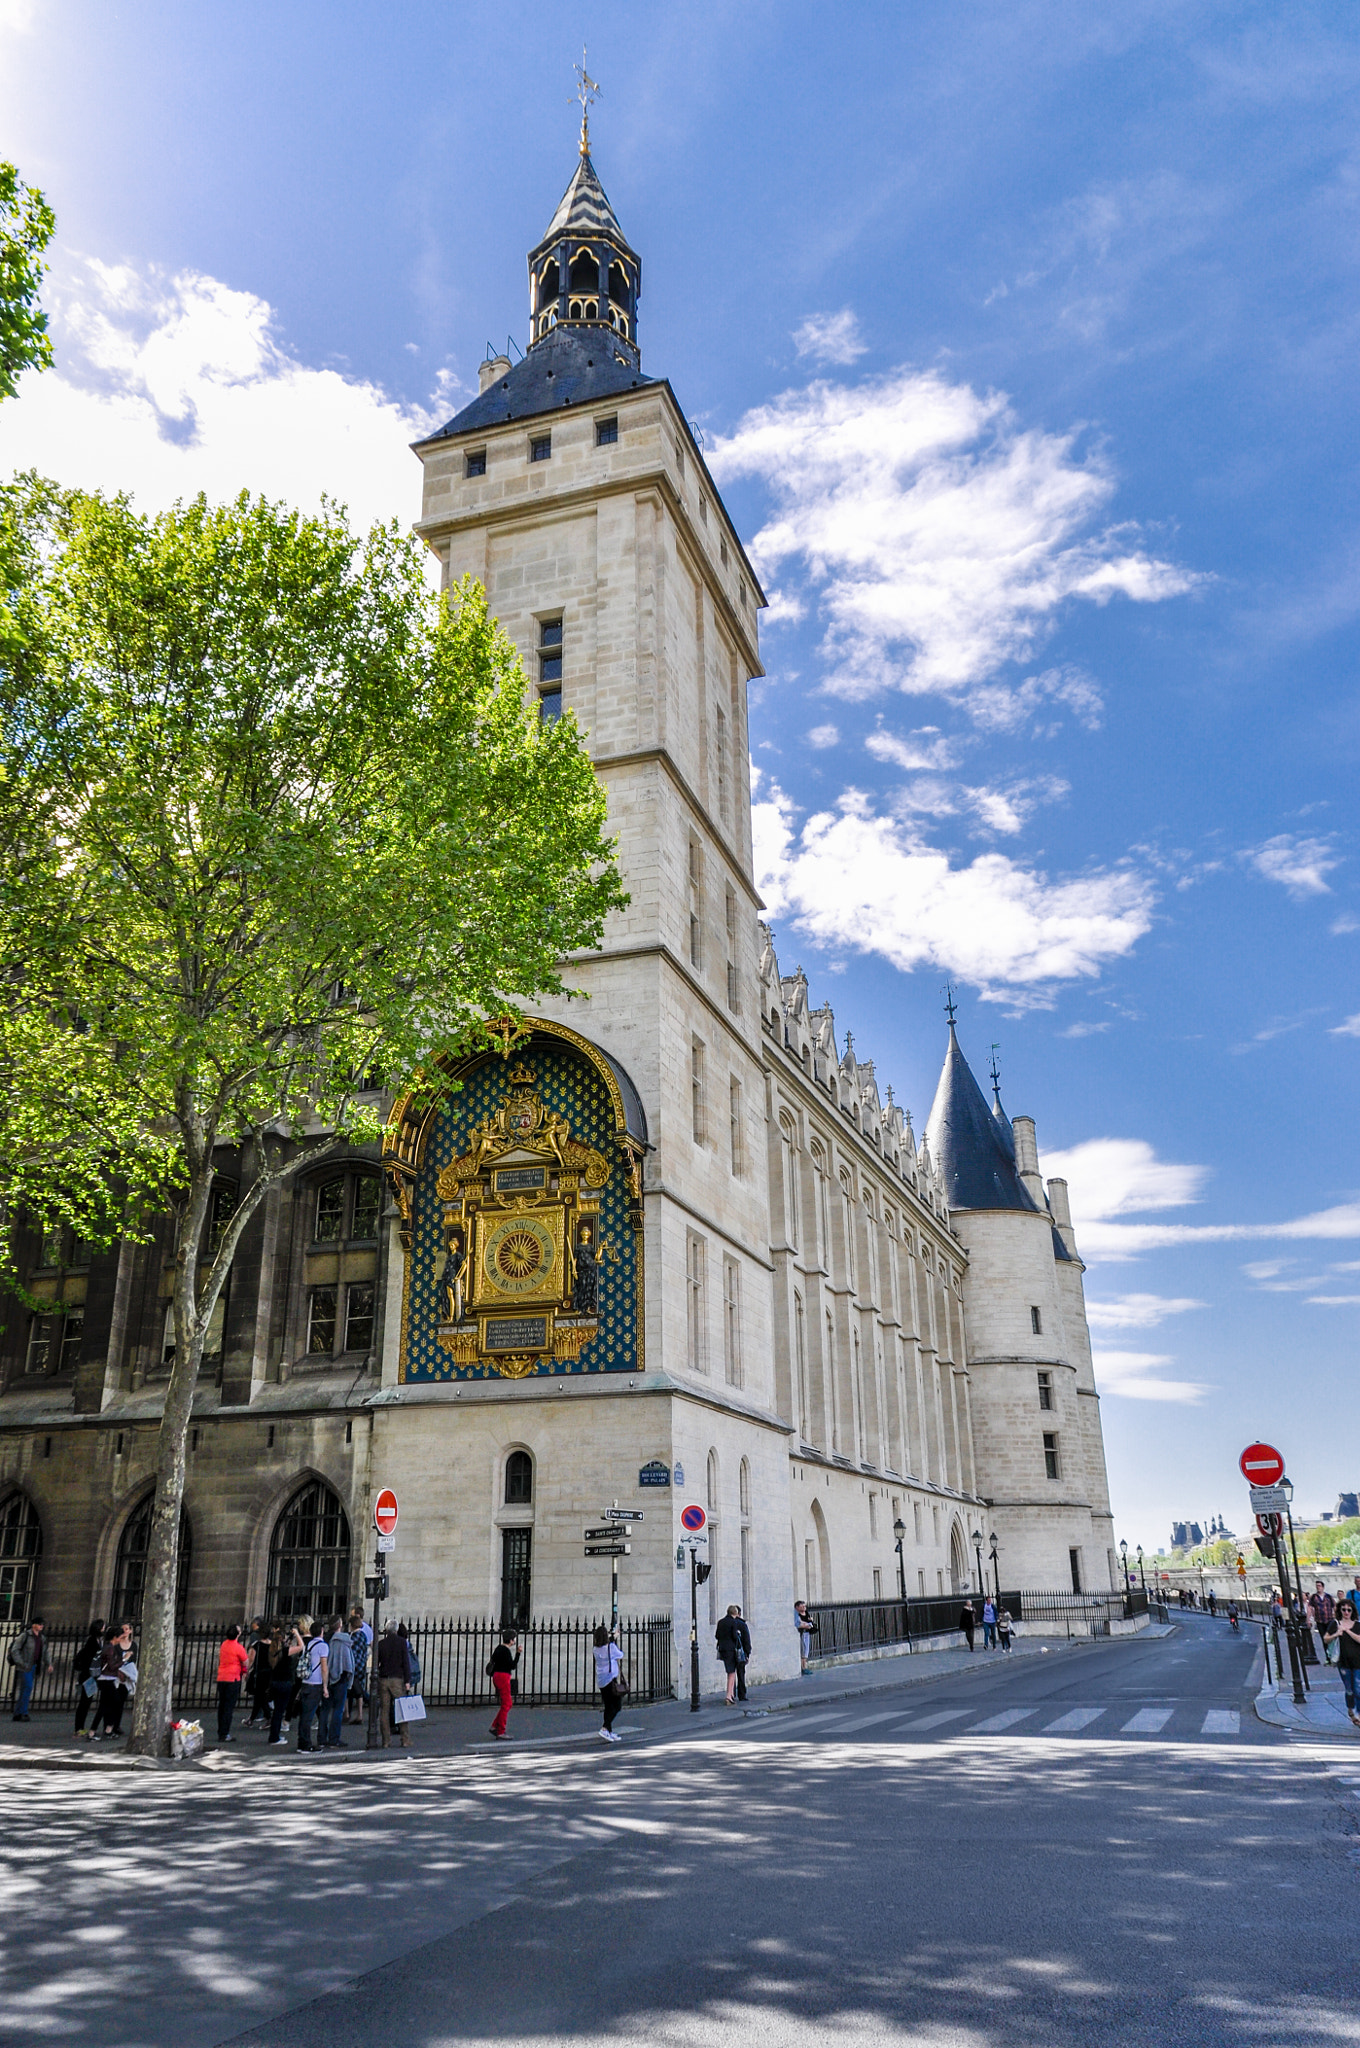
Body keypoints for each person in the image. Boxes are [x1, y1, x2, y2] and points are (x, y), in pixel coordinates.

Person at [376, 1620, 414, 1749]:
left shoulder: (381, 1644)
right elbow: (406, 1663)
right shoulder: (402, 1643)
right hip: (397, 1679)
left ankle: (386, 1741)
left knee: (384, 1711)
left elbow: (376, 1663)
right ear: (396, 1630)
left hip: (384, 1678)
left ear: (386, 1630)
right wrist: (407, 1680)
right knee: (402, 1710)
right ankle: (405, 1739)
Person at [1323, 1600, 1360, 1728]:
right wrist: (1337, 1633)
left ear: (1352, 1612)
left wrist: (1347, 1631)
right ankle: (1351, 1710)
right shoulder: (1335, 1624)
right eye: (1343, 1609)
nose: (1346, 1612)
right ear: (1340, 1611)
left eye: (1349, 1610)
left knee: (1358, 1689)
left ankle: (1358, 1715)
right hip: (1343, 1663)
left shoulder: (1357, 1625)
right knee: (1349, 1689)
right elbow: (1326, 1639)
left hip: (1357, 1662)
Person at [8, 1615, 51, 1721]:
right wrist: (21, 1663)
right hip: (25, 1666)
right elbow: (15, 1650)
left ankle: (17, 1713)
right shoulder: (25, 1635)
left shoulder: (42, 1638)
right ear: (34, 1625)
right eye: (40, 1624)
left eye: (42, 1624)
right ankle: (24, 1712)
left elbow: (45, 1652)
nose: (42, 1626)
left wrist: (49, 1664)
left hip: (35, 1666)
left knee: (25, 1689)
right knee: (28, 1687)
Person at [95, 1622, 133, 1740]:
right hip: (106, 1679)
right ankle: (105, 1729)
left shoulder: (109, 1647)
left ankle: (106, 1729)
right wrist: (124, 1659)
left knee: (106, 1705)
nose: (120, 1639)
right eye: (120, 1637)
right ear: (115, 1637)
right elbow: (112, 1666)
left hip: (109, 1679)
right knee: (111, 1704)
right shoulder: (110, 1648)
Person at [215, 1624, 251, 1744]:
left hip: (222, 1677)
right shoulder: (238, 1647)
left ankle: (221, 1731)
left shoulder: (224, 1644)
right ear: (238, 1634)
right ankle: (225, 1733)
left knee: (222, 1706)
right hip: (233, 1678)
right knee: (228, 1708)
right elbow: (246, 1662)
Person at [296, 1621, 329, 1753]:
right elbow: (324, 1667)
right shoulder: (323, 1646)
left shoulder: (309, 1644)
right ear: (321, 1631)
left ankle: (303, 1741)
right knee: (308, 1716)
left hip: (306, 1681)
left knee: (305, 1714)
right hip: (316, 1683)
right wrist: (325, 1686)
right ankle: (306, 1744)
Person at [321, 1616, 353, 1748]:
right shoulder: (343, 1640)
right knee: (338, 1710)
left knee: (325, 1709)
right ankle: (334, 1738)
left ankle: (322, 1738)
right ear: (340, 1625)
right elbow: (347, 1663)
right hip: (340, 1679)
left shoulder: (326, 1639)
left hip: (326, 1679)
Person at [593, 1623, 627, 1742]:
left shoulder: (595, 1649)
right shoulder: (611, 1648)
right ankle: (605, 1727)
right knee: (617, 1706)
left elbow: (605, 1647)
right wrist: (613, 1639)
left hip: (601, 1680)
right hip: (610, 1680)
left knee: (608, 1705)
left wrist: (613, 1638)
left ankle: (609, 1732)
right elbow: (620, 1655)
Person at [73, 1618, 105, 1739]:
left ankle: (80, 1727)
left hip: (91, 1675)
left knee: (86, 1702)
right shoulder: (92, 1641)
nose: (104, 1629)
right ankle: (78, 1728)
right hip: (88, 1675)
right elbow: (89, 1658)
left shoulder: (97, 1640)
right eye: (103, 1627)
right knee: (84, 1703)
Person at [715, 1604, 752, 1704]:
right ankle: (731, 1696)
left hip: (723, 1650)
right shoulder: (735, 1622)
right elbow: (737, 1637)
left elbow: (717, 1635)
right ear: (736, 1613)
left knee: (730, 1671)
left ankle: (732, 1694)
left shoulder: (720, 1622)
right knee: (735, 1673)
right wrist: (747, 1652)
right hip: (734, 1651)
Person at [264, 1626, 294, 1746]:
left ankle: (274, 1735)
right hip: (284, 1683)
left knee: (277, 1711)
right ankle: (274, 1737)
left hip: (275, 1682)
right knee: (280, 1711)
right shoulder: (285, 1652)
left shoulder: (272, 1651)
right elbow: (301, 1646)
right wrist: (296, 1634)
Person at [488, 1629, 519, 1740]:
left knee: (506, 1703)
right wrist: (518, 1654)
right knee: (507, 1703)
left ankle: (494, 1726)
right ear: (511, 1640)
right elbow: (512, 1666)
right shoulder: (506, 1651)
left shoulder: (498, 1648)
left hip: (496, 1676)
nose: (514, 1641)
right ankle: (500, 1731)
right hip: (503, 1676)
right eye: (514, 1639)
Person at [347, 1606, 372, 1725]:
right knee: (359, 1691)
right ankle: (359, 1714)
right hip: (362, 1663)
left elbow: (351, 1653)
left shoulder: (353, 1636)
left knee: (351, 1689)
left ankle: (348, 1713)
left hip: (354, 1666)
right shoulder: (364, 1633)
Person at [242, 1617, 269, 1727]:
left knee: (260, 1696)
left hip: (260, 1673)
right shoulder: (272, 1645)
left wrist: (246, 1671)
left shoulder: (256, 1645)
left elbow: (251, 1660)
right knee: (260, 1696)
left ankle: (268, 1717)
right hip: (269, 1672)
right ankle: (252, 1719)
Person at [793, 1600, 818, 1674]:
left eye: (805, 1606)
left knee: (806, 1649)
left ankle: (805, 1666)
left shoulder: (806, 1613)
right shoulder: (796, 1614)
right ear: (797, 1607)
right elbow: (798, 1624)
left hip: (807, 1632)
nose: (804, 1607)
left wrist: (810, 1623)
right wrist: (807, 1625)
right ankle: (803, 1667)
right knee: (803, 1650)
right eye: (802, 1606)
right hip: (802, 1633)